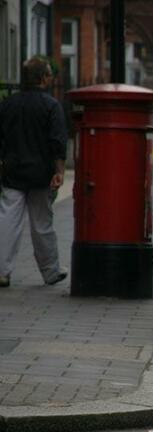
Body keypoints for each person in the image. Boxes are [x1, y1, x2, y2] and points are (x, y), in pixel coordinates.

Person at [0, 57, 68, 287]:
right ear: (43, 78)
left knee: (8, 220)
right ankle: (51, 271)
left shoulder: (8, 104)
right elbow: (57, 141)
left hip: (12, 171)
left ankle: (2, 271)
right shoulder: (51, 106)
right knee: (42, 225)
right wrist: (59, 170)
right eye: (49, 74)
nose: (51, 78)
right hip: (42, 173)